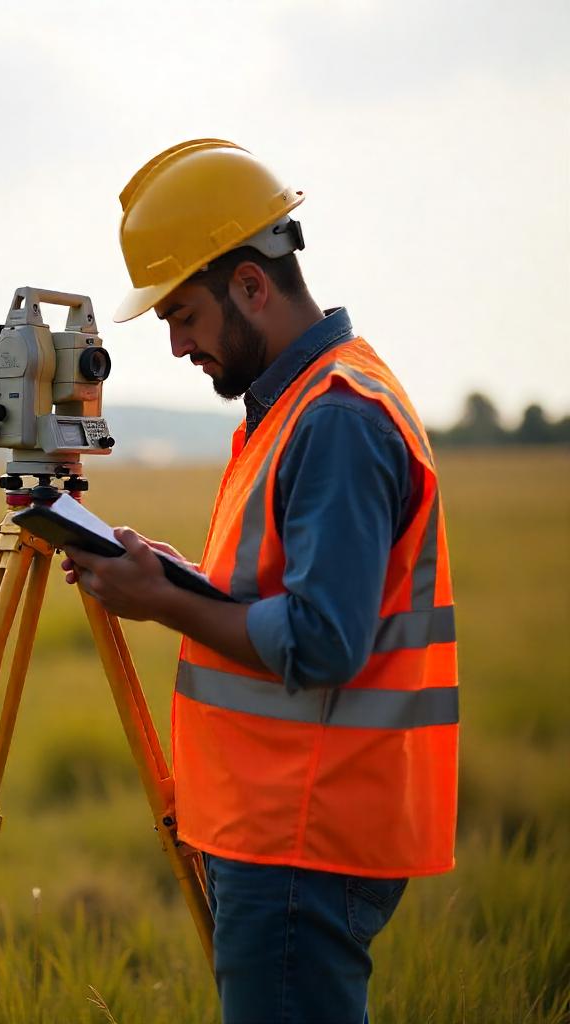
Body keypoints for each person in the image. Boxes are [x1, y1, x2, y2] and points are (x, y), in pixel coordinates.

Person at [61, 139, 459, 1024]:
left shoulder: (336, 417)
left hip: (301, 836)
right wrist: (179, 578)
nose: (176, 346)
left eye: (184, 315)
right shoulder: (300, 406)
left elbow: (321, 641)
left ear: (250, 285)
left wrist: (165, 603)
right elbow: (287, 593)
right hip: (290, 827)